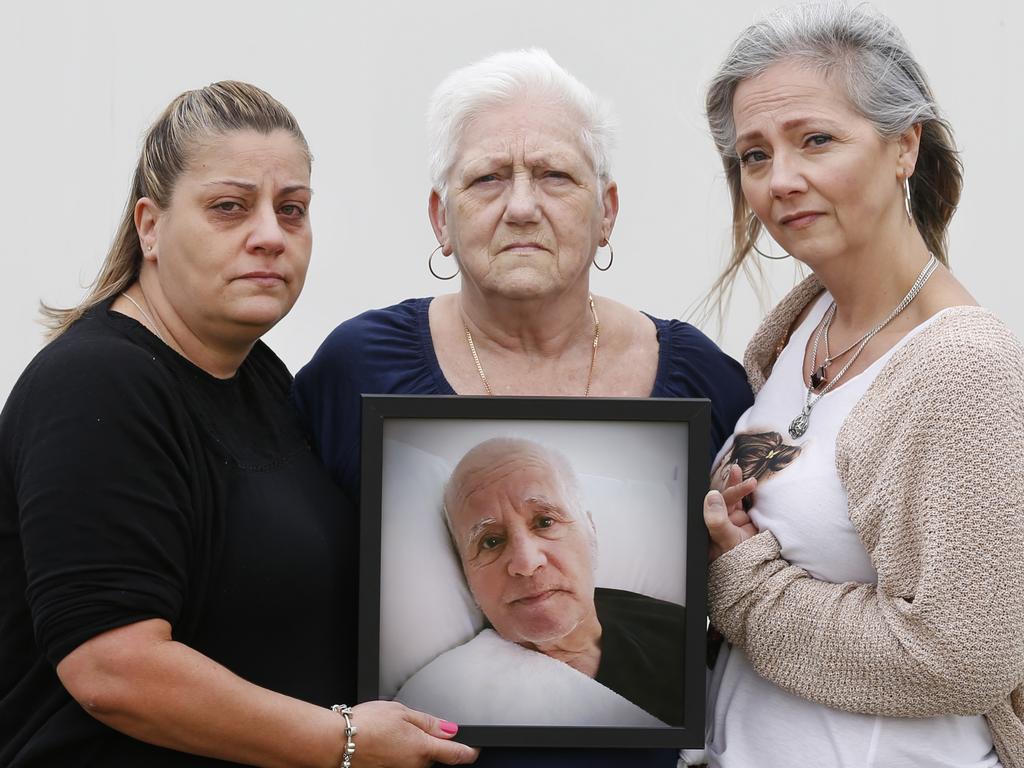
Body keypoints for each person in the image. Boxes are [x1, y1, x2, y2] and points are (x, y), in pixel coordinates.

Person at [293, 47, 751, 768]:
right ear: (442, 219)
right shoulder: (354, 369)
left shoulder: (703, 379)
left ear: (607, 212)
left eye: (554, 176)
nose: (522, 206)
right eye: (487, 179)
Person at [0, 81, 477, 767]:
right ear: (150, 225)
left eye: (292, 210)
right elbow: (113, 669)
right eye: (229, 208)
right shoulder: (95, 385)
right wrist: (342, 742)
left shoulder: (260, 379)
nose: (269, 236)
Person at [694, 4, 1024, 767]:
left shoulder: (961, 364)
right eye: (753, 155)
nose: (781, 180)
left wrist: (737, 580)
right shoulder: (800, 327)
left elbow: (963, 658)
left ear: (904, 145)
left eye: (815, 140)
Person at [395, 437, 686, 728]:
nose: (526, 562)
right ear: (467, 577)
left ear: (591, 532)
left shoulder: (679, 629)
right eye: (491, 541)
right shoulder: (439, 707)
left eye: (545, 522)